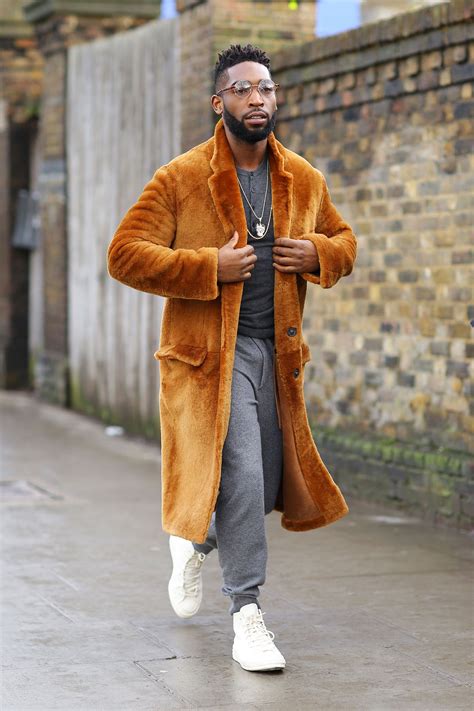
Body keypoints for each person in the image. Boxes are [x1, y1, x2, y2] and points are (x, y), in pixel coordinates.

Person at [107, 43, 357, 673]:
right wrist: (205, 267)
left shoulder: (302, 177)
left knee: (264, 480)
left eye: (266, 89)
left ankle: (193, 541)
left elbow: (345, 239)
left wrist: (319, 256)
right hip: (208, 358)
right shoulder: (181, 177)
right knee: (242, 474)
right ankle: (247, 615)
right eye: (243, 90)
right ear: (219, 103)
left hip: (280, 355)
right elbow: (125, 254)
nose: (257, 99)